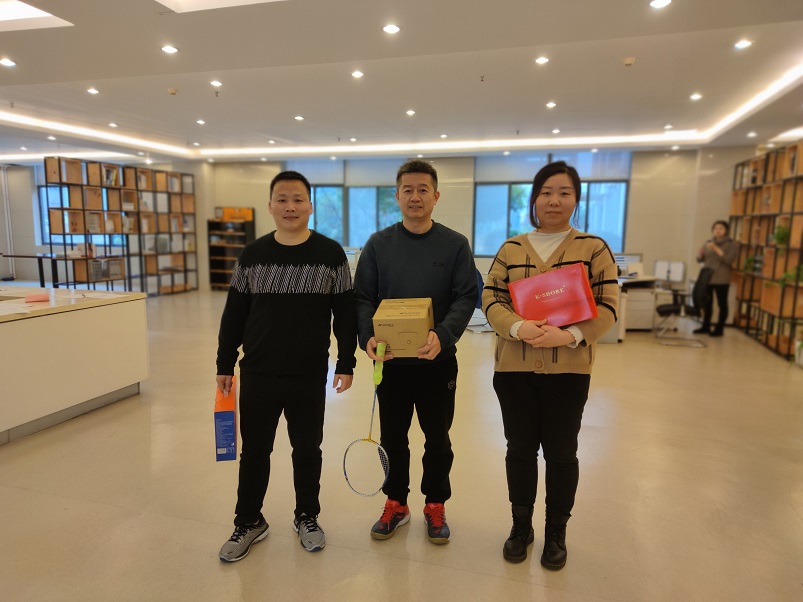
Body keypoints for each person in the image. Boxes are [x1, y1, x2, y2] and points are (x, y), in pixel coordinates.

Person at [482, 161, 618, 569]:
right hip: (514, 371)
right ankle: (520, 526)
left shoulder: (593, 248)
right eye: (546, 192)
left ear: (576, 200)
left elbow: (609, 306)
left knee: (561, 453)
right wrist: (518, 326)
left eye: (564, 192)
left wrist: (570, 335)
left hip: (568, 373)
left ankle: (556, 531)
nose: (554, 200)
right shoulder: (511, 248)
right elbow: (490, 298)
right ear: (534, 199)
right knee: (519, 450)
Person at [215, 170, 357, 561]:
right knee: (254, 452)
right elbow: (234, 313)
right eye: (282, 199)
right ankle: (249, 521)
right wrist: (225, 362)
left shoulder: (330, 255)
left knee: (307, 450)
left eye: (297, 199)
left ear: (310, 205)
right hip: (258, 372)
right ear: (270, 206)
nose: (290, 206)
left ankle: (307, 516)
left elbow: (345, 314)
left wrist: (346, 362)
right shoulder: (253, 254)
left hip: (309, 374)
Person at [353, 159, 478, 544]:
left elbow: (466, 296)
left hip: (436, 361)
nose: (415, 196)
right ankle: (396, 502)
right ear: (397, 196)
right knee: (393, 437)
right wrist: (367, 336)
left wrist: (444, 334)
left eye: (423, 189)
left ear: (436, 196)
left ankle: (435, 503)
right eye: (407, 189)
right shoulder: (378, 245)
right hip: (390, 363)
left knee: (437, 438)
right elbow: (362, 298)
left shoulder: (454, 245)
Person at [695, 220, 739, 337]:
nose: (718, 231)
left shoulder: (732, 244)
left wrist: (716, 249)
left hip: (722, 278)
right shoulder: (708, 243)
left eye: (721, 228)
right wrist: (700, 254)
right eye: (715, 228)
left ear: (726, 230)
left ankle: (719, 328)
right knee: (707, 303)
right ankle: (705, 326)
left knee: (722, 303)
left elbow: (728, 260)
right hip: (708, 277)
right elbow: (700, 260)